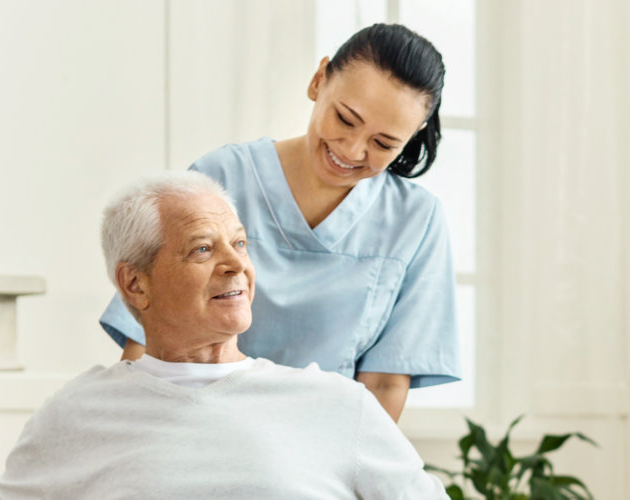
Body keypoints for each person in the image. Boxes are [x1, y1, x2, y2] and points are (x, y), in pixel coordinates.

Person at [0, 172, 447, 499]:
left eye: (241, 243)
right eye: (203, 248)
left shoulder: (339, 406)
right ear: (135, 284)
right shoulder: (75, 415)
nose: (237, 265)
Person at [101, 23, 459, 422]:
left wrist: (353, 477)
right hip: (197, 428)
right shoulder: (220, 178)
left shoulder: (416, 221)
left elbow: (386, 384)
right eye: (345, 119)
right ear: (318, 80)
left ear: (412, 136)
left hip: (324, 450)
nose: (353, 150)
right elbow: (146, 337)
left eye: (384, 143)